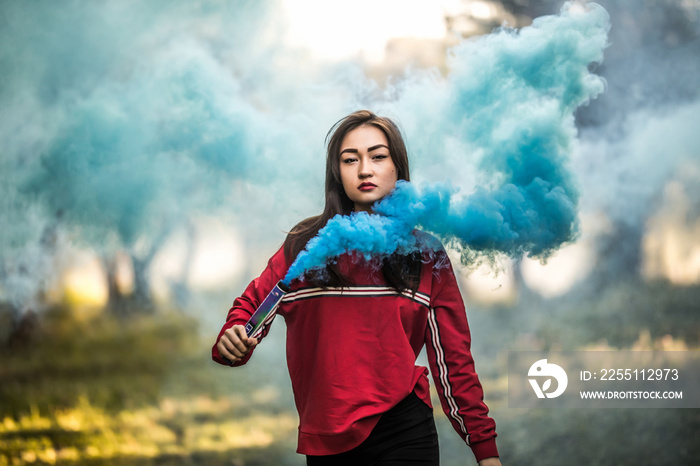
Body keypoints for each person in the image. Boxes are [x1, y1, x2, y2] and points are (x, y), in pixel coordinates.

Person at [213, 110, 501, 465]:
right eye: (350, 160)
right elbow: (250, 311)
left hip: (405, 429)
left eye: (378, 157)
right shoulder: (303, 246)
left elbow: (452, 362)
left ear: (398, 168)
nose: (365, 169)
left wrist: (485, 451)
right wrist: (234, 338)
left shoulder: (425, 253)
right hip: (326, 438)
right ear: (337, 174)